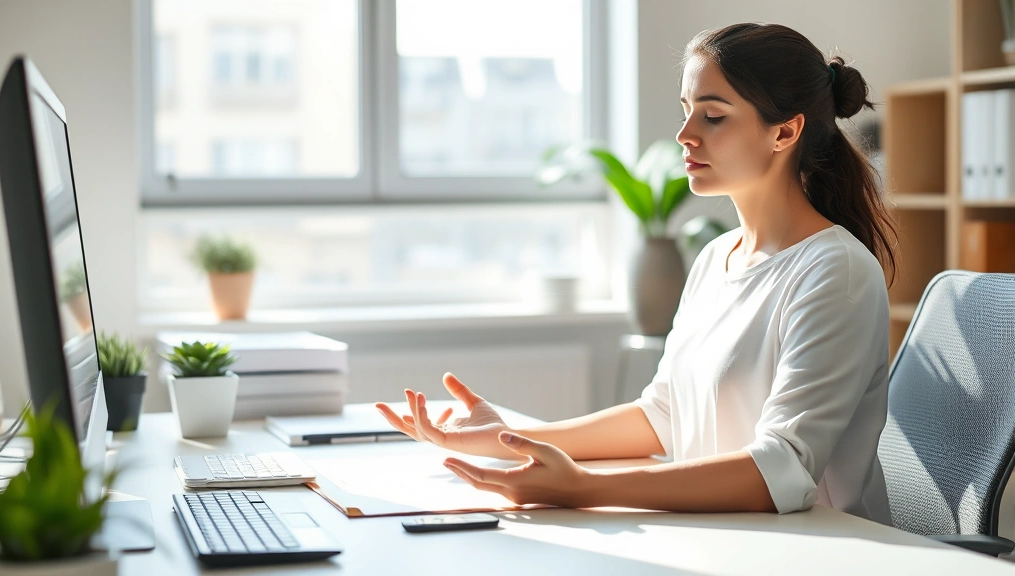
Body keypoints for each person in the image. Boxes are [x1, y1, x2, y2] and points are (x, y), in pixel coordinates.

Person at [376, 22, 899, 522]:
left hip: (816, 552)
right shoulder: (716, 258)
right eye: (686, 110)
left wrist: (586, 489)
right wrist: (510, 438)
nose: (684, 135)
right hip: (727, 541)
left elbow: (781, 470)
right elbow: (663, 414)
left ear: (784, 132)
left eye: (713, 116)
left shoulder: (837, 273)